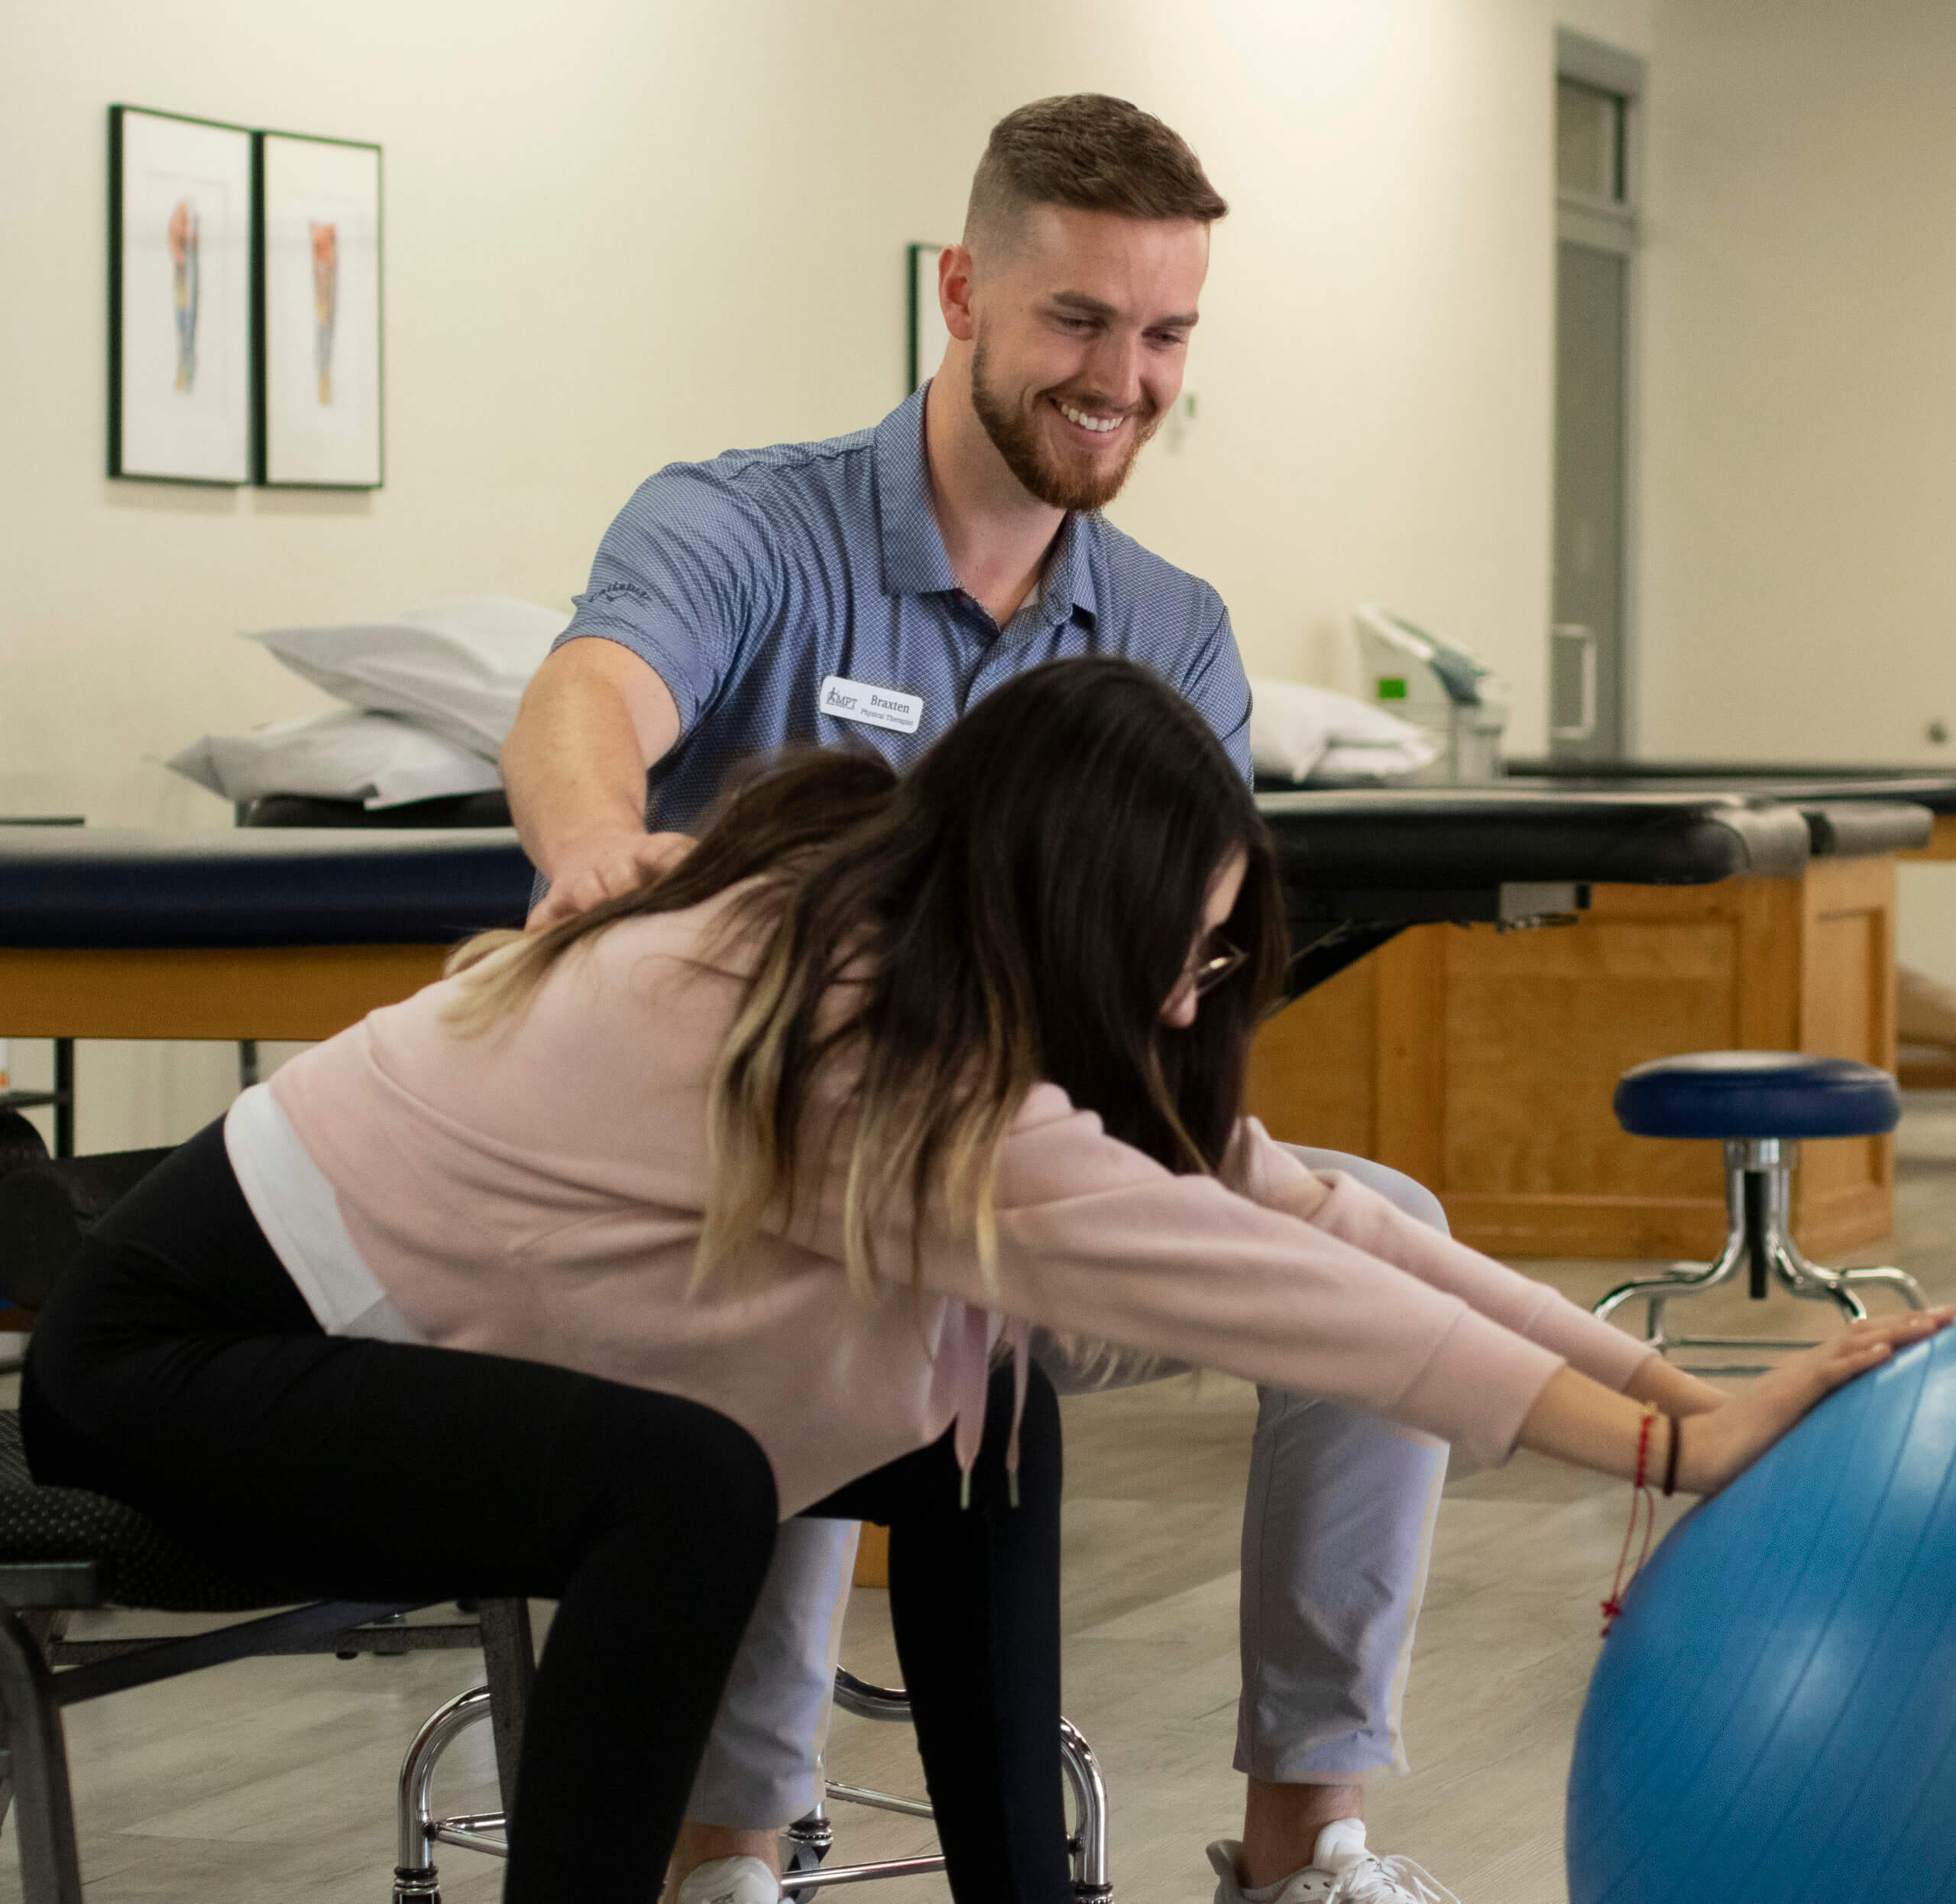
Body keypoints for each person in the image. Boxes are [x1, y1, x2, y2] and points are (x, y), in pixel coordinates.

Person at [490, 92, 1809, 1904]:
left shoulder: (1164, 624)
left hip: (1039, 1183)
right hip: (777, 1196)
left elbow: (1163, 1018)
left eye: (1165, 333)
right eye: (1075, 322)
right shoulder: (751, 529)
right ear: (961, 292)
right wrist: (589, 849)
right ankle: (732, 1850)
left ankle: (1303, 1841)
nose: (1120, 377)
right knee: (814, 1269)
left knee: (1376, 1231)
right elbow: (589, 694)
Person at [24, 660, 1935, 1904]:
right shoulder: (882, 1047)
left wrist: (1689, 1397)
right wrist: (1659, 1449)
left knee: (946, 1378)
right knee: (689, 1474)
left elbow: (1323, 1221)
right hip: (187, 1357)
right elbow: (1285, 1302)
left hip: (368, 1332)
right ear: (1072, 908)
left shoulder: (907, 929)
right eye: (1182, 960)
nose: (1194, 1002)